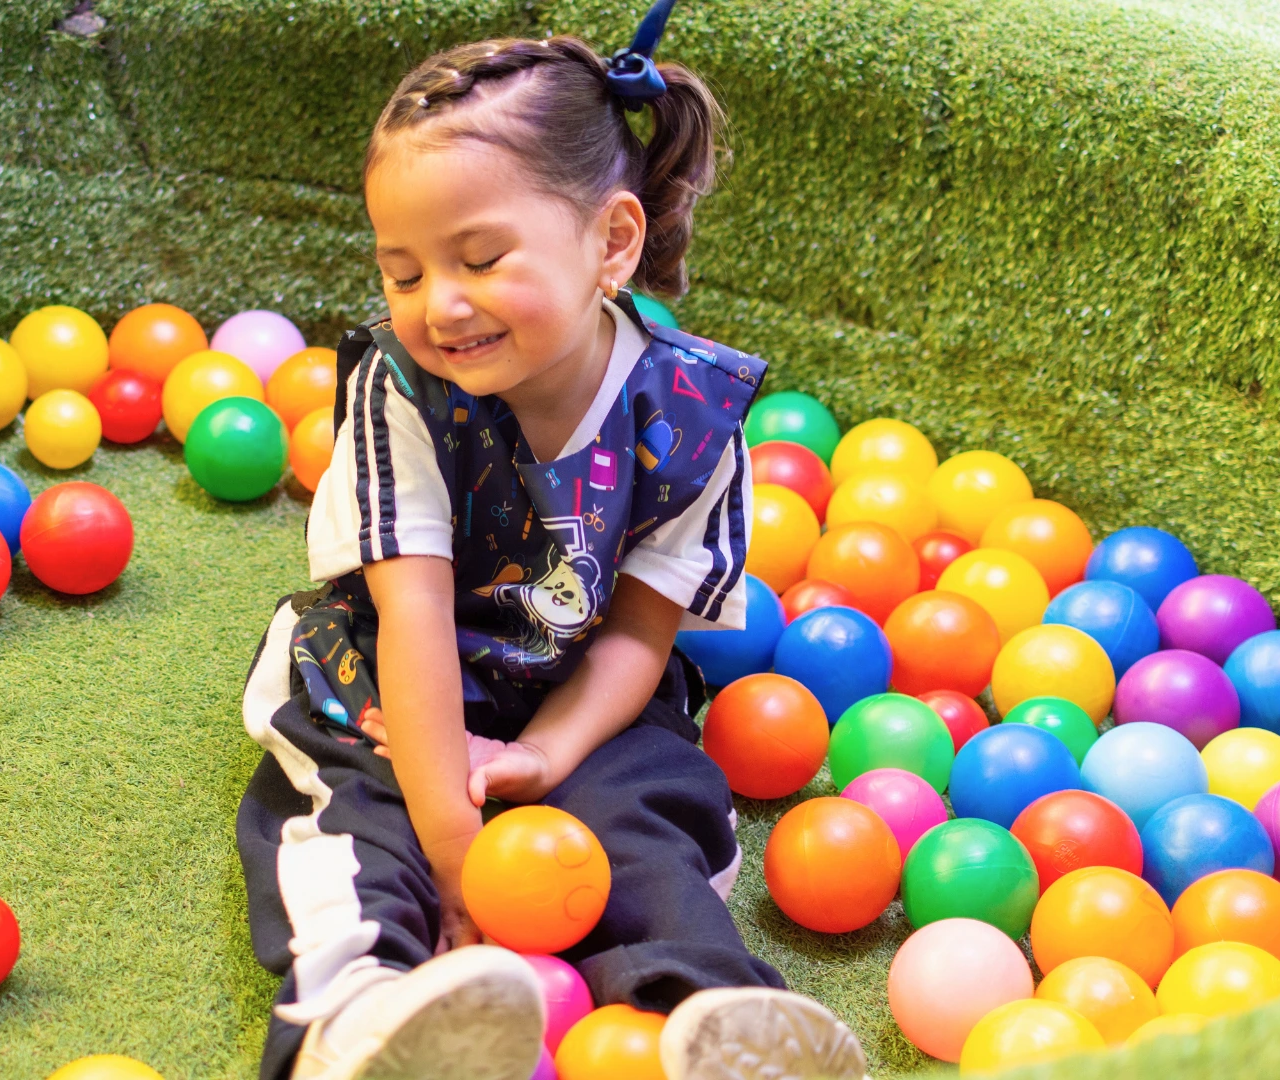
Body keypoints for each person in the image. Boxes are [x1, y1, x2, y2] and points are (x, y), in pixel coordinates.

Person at [234, 4, 870, 1077]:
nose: (439, 305)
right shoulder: (401, 391)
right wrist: (456, 859)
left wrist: (550, 753)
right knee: (360, 830)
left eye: (479, 258)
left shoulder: (692, 411)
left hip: (582, 690)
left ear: (612, 240)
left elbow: (636, 635)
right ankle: (359, 1022)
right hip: (391, 679)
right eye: (403, 271)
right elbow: (415, 617)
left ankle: (716, 1024)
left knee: (653, 821)